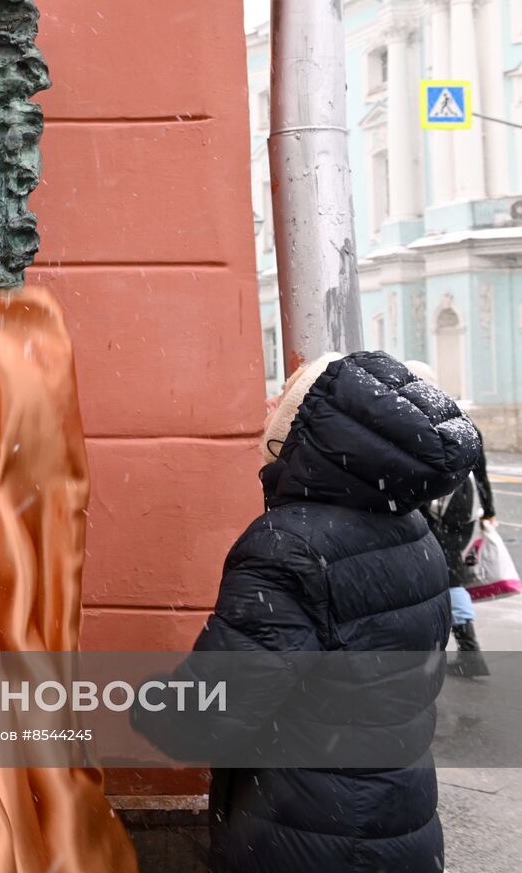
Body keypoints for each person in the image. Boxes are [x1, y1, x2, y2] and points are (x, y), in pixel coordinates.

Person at [133, 351, 482, 873]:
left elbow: (209, 718)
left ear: (309, 426)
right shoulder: (411, 530)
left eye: (288, 392)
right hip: (394, 816)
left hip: (312, 835)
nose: (269, 401)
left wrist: (139, 704)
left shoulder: (290, 546)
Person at [405, 360, 495, 677]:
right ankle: (465, 650)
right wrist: (489, 510)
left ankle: (468, 653)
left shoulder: (420, 418)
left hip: (437, 509)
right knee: (448, 572)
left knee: (445, 576)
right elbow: (480, 470)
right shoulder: (458, 416)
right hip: (464, 508)